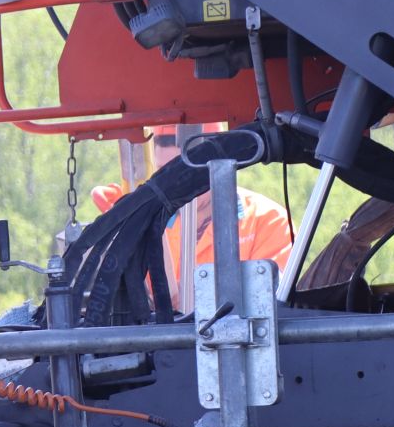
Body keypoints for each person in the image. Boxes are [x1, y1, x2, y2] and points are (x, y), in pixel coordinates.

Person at [88, 127, 293, 307]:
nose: (179, 185)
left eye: (191, 171)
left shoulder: (268, 221)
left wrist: (201, 297)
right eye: (166, 174)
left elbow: (268, 299)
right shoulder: (146, 223)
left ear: (222, 164)